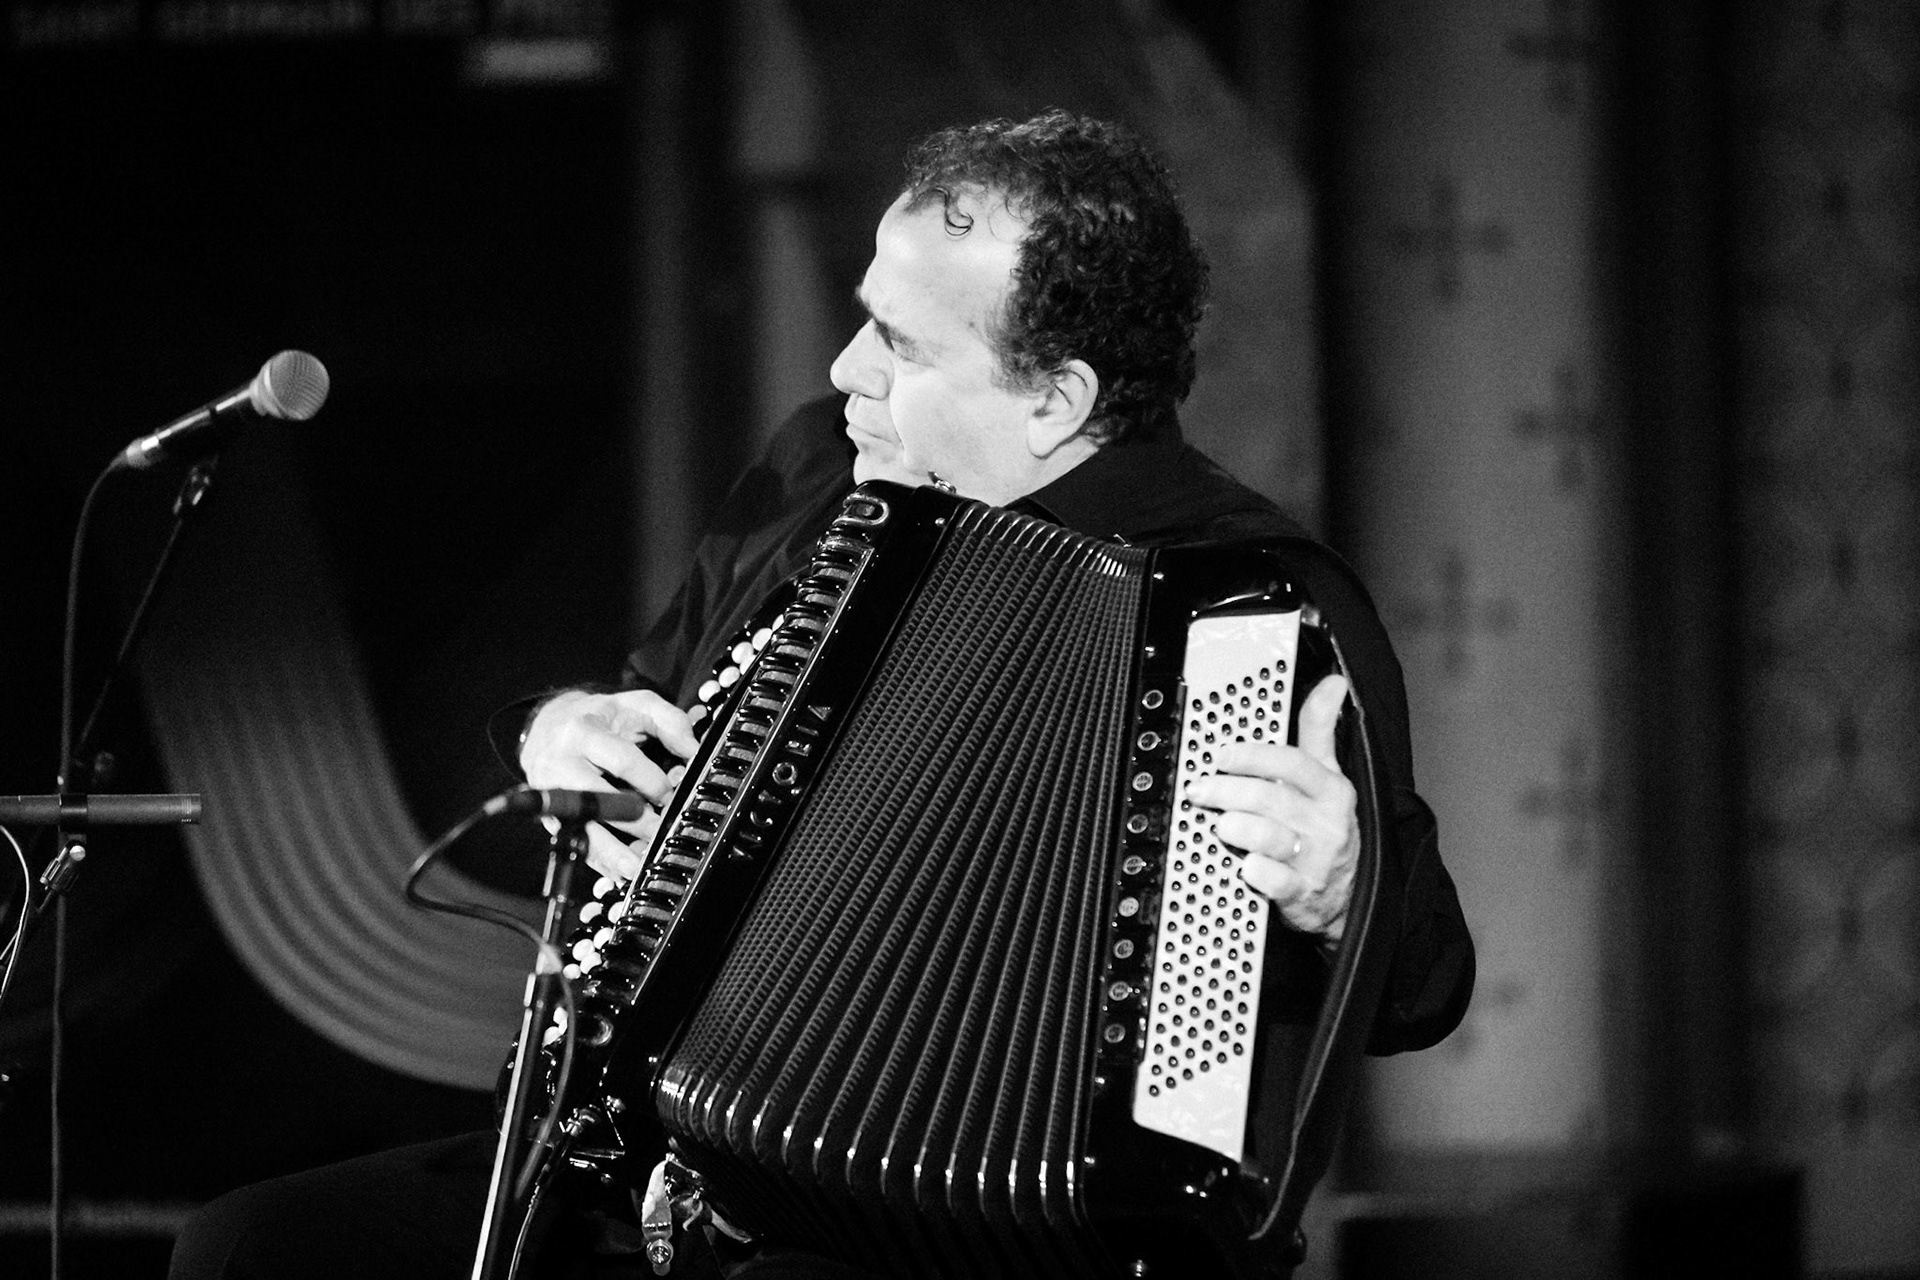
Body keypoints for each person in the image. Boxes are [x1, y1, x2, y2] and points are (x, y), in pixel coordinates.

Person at [171, 109, 1472, 1280]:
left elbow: (1424, 988)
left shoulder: (1244, 608)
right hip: (644, 1156)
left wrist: (1345, 892)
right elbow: (623, 707)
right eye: (863, 316)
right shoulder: (819, 475)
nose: (848, 368)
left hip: (972, 1241)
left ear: (1055, 400)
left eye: (901, 343)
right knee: (253, 1247)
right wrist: (559, 729)